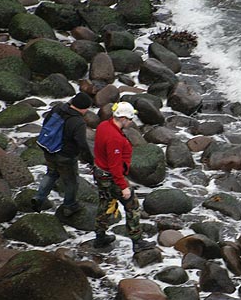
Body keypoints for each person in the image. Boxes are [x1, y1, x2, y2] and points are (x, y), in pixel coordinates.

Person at [92, 101, 155, 251]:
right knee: (132, 206)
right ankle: (137, 241)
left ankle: (100, 236)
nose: (131, 122)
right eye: (130, 119)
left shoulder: (103, 126)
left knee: (105, 203)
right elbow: (115, 166)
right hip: (111, 177)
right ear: (123, 119)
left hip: (99, 172)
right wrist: (123, 186)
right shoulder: (115, 139)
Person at [32, 92, 94, 216]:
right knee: (71, 181)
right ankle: (69, 206)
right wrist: (91, 161)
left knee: (51, 173)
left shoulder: (58, 108)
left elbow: (46, 124)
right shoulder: (78, 122)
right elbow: (82, 143)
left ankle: (38, 198)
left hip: (49, 149)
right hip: (66, 156)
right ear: (84, 108)